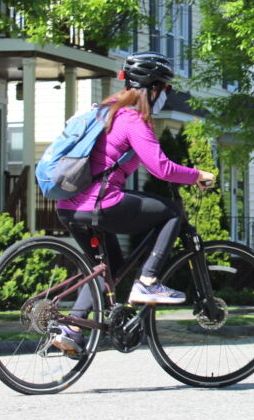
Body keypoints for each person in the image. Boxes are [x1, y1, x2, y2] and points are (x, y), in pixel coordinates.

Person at [50, 51, 216, 354]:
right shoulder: (132, 119)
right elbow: (161, 168)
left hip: (68, 206)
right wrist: (196, 175)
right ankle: (149, 280)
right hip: (100, 203)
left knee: (104, 267)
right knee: (170, 212)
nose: (165, 94)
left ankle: (71, 329)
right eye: (164, 88)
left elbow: (130, 162)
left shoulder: (101, 112)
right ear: (152, 88)